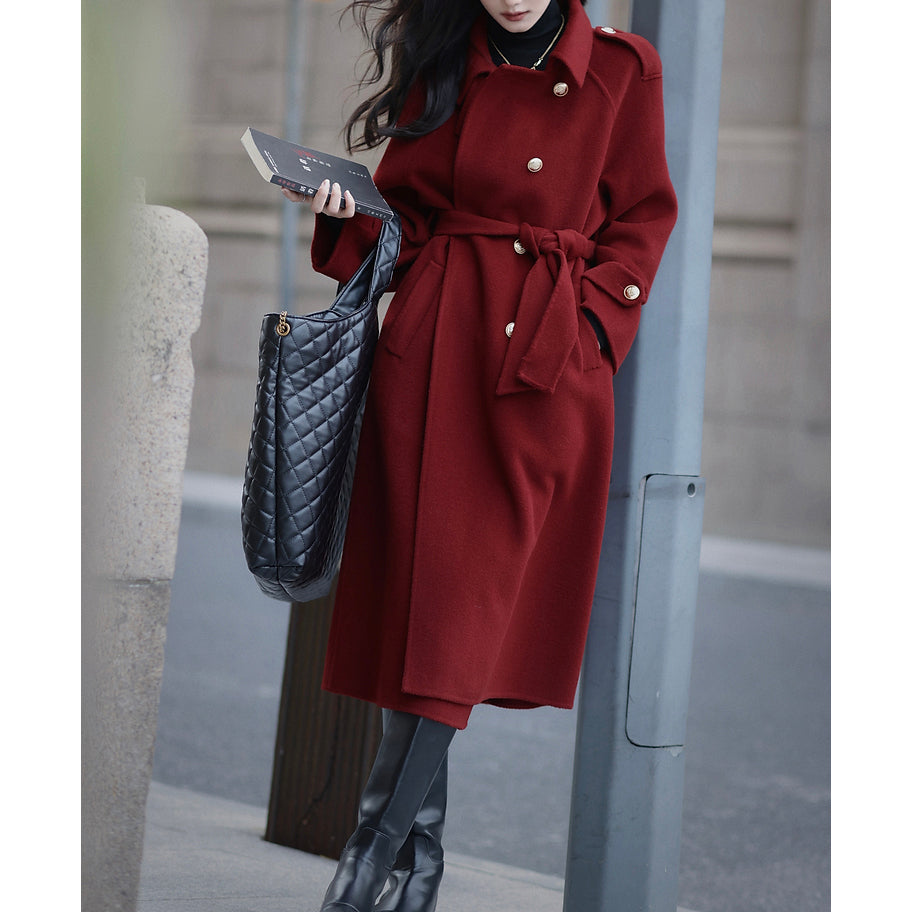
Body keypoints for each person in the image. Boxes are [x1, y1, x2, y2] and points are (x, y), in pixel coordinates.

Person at [282, 2, 678, 910]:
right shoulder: (444, 56)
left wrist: (589, 333)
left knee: (462, 607)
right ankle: (416, 867)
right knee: (421, 608)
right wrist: (346, 213)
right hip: (430, 356)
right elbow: (407, 219)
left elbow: (645, 220)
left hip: (540, 371)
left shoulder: (625, 69)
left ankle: (368, 855)